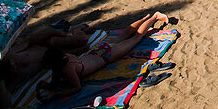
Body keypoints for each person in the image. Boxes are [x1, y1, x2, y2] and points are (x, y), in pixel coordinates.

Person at [37, 13, 171, 100]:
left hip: (105, 56)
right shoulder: (65, 57)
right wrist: (48, 86)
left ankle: (154, 17)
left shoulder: (66, 68)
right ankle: (145, 18)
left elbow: (76, 87)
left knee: (136, 38)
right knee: (125, 33)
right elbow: (55, 82)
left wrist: (55, 94)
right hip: (97, 50)